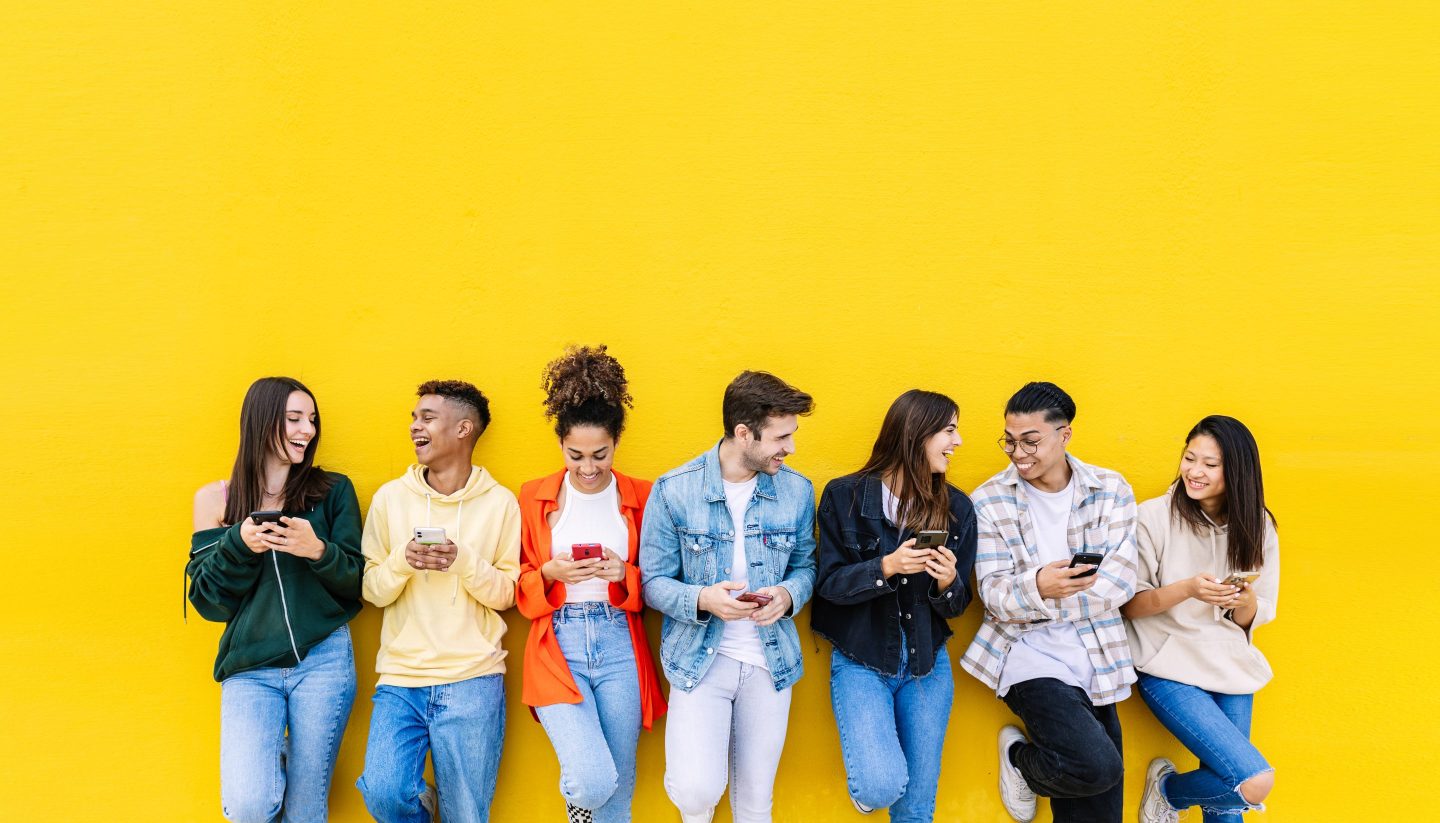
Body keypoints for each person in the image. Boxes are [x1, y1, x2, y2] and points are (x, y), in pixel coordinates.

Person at [640, 371, 817, 823]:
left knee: (756, 802)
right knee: (696, 792)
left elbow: (806, 567)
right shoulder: (674, 490)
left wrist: (787, 594)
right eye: (781, 437)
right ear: (743, 433)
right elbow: (653, 582)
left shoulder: (797, 491)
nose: (791, 448)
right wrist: (703, 599)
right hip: (700, 659)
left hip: (769, 660)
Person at [958, 381, 1140, 823]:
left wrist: (1035, 595)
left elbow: (1121, 583)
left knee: (1101, 803)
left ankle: (1030, 765)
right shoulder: (988, 501)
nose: (1018, 453)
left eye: (1030, 441)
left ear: (1065, 435)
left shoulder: (1110, 489)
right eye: (1009, 441)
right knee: (1097, 767)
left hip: (1097, 653)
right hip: (1027, 654)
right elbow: (994, 594)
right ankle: (1021, 759)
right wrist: (1040, 584)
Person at [187, 376, 364, 823]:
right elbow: (209, 602)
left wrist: (317, 550)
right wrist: (238, 544)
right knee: (249, 805)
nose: (307, 430)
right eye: (294, 419)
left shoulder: (332, 491)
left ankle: (282, 762)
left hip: (324, 660)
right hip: (251, 667)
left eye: (312, 419)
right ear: (262, 421)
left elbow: (358, 581)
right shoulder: (216, 500)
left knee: (306, 811)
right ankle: (273, 762)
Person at [355, 380, 521, 823]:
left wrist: (462, 561)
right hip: (401, 678)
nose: (415, 426)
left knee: (466, 814)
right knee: (384, 793)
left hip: (473, 678)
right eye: (414, 418)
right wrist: (403, 561)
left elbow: (507, 595)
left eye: (427, 418)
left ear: (463, 429)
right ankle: (423, 806)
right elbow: (371, 590)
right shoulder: (390, 499)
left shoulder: (501, 504)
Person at [516, 345, 667, 823]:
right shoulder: (533, 497)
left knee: (618, 791)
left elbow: (661, 583)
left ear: (616, 442)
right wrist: (549, 574)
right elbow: (518, 585)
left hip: (620, 640)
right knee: (592, 779)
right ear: (560, 444)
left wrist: (625, 574)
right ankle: (578, 806)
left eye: (600, 455)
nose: (587, 467)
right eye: (575, 455)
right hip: (557, 643)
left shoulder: (645, 496)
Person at [811, 389, 978, 822]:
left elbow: (957, 606)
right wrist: (886, 566)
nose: (957, 442)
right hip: (861, 661)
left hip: (927, 666)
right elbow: (827, 585)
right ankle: (869, 790)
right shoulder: (844, 497)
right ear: (916, 433)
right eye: (949, 430)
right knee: (881, 785)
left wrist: (947, 582)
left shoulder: (958, 509)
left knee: (916, 808)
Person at [1122, 416, 1279, 823]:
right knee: (1250, 782)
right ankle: (1169, 792)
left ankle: (1170, 794)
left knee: (1226, 804)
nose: (1194, 471)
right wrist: (1188, 589)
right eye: (1189, 458)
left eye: (1210, 464)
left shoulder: (1258, 524)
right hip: (1166, 664)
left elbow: (1253, 616)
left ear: (1237, 472)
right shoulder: (1151, 517)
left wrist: (1244, 600)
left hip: (1229, 663)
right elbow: (1129, 606)